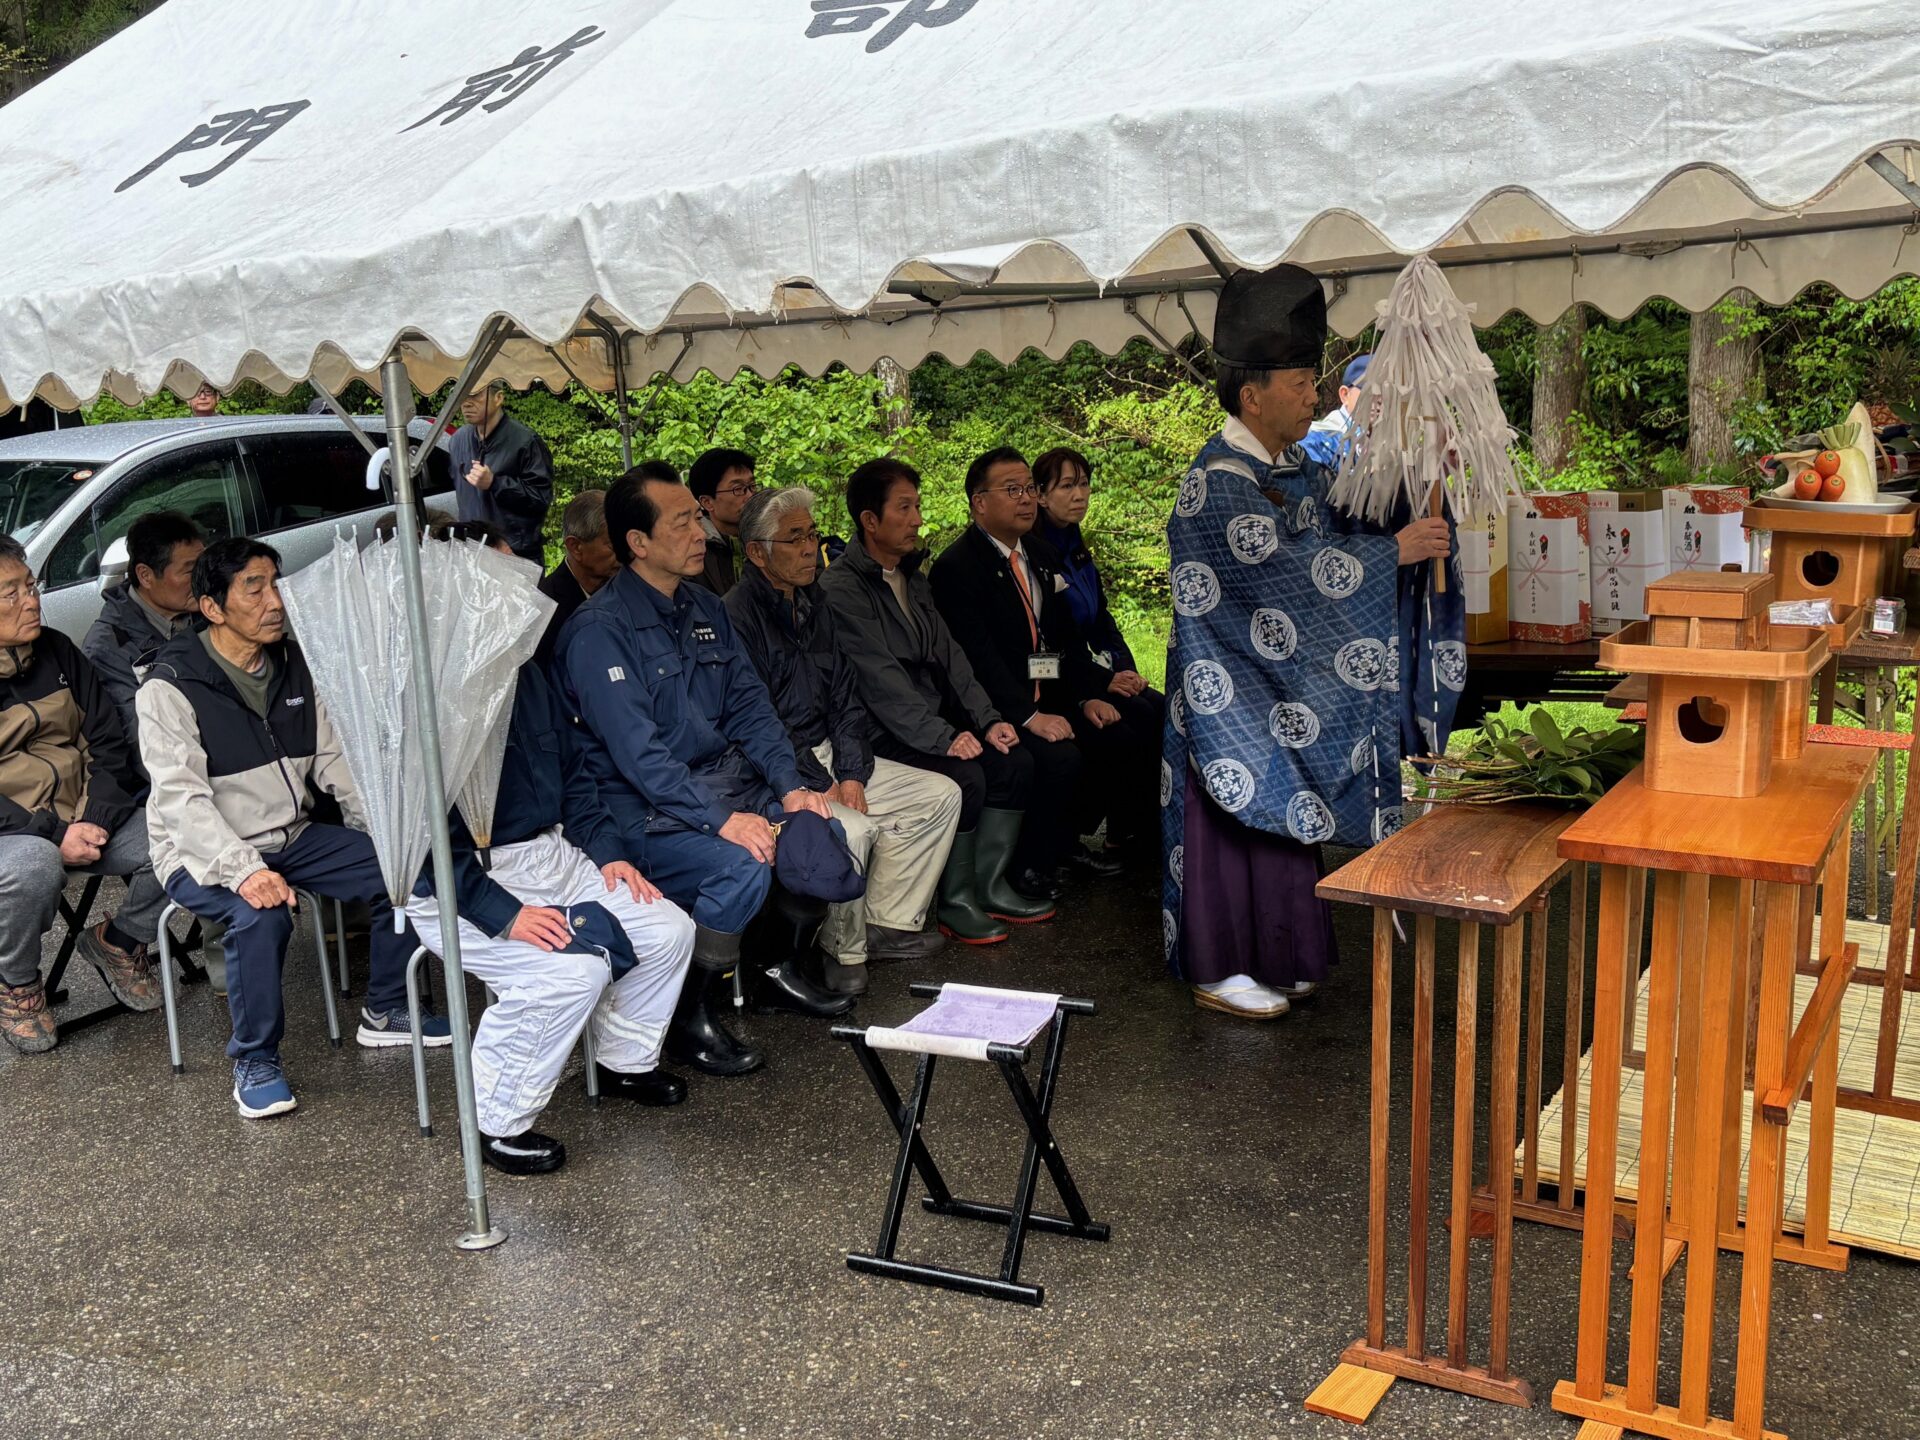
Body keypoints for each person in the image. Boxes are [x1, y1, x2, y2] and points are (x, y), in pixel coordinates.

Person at [1163, 267, 1456, 1020]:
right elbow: (1283, 572)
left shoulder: (1289, 465)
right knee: (1234, 819)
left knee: (1284, 813)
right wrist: (1395, 553)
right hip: (1228, 690)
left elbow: (1344, 525)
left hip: (1279, 686)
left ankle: (1281, 953)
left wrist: (1420, 482)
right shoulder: (1217, 482)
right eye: (1300, 383)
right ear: (1251, 394)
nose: (1316, 397)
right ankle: (1219, 962)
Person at [409, 528, 695, 1177]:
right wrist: (504, 915)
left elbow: (578, 781)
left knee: (666, 929)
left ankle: (621, 1061)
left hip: (551, 857)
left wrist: (608, 853)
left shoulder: (526, 673)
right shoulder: (425, 701)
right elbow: (419, 844)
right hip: (458, 884)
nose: (527, 592)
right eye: (504, 579)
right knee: (568, 973)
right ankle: (493, 1119)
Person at [552, 465, 854, 1080]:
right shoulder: (599, 632)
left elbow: (751, 708)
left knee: (819, 838)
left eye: (697, 516)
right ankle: (690, 1013)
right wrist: (723, 822)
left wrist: (791, 788)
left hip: (728, 784)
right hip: (642, 810)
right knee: (741, 867)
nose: (701, 532)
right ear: (638, 543)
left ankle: (775, 972)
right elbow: (640, 758)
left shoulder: (704, 608)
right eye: (683, 521)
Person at [138, 537, 450, 1118]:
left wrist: (387, 828)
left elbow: (337, 763)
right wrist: (244, 870)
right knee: (259, 914)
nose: (275, 600)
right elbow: (181, 801)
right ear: (212, 608)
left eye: (276, 583)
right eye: (254, 588)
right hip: (199, 851)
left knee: (406, 866)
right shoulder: (170, 685)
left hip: (292, 834)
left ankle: (385, 1010)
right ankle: (254, 1058)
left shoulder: (296, 663)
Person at [726, 487, 963, 994]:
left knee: (939, 795)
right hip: (776, 768)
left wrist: (852, 773)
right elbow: (754, 722)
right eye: (794, 539)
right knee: (850, 828)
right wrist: (818, 783)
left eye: (812, 534)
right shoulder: (736, 616)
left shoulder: (817, 603)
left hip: (831, 753)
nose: (811, 547)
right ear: (756, 552)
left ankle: (887, 924)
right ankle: (841, 950)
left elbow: (846, 700)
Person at [818, 458, 1047, 943]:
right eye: (905, 507)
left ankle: (987, 885)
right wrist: (944, 738)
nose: (918, 518)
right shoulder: (841, 589)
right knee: (966, 775)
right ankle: (954, 898)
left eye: (917, 506)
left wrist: (987, 720)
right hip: (880, 730)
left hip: (927, 718)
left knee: (1013, 761)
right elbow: (881, 682)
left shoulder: (911, 576)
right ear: (869, 520)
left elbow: (951, 655)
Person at [931, 447, 1154, 884]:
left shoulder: (1038, 553)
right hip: (988, 709)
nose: (1026, 499)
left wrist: (1084, 695)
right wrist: (1031, 716)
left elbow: (1052, 648)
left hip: (1040, 694)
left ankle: (1069, 844)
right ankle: (1027, 866)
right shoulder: (956, 568)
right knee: (1059, 758)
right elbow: (979, 661)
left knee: (1118, 733)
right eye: (1012, 490)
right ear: (979, 502)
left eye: (1029, 488)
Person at [0, 537, 165, 1053]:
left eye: (30, 586)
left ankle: (119, 941)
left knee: (179, 829)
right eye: (10, 593)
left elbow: (108, 740)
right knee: (32, 866)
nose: (31, 601)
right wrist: (54, 834)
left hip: (86, 815)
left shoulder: (57, 649)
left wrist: (95, 815)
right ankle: (18, 983)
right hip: (17, 834)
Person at [1031, 447, 1167, 859]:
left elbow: (1101, 619)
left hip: (1089, 672)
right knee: (1125, 726)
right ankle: (1086, 835)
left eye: (1085, 483)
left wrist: (1126, 669)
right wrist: (1093, 688)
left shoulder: (1076, 546)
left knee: (1159, 710)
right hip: (1054, 685)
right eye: (1067, 485)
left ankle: (1133, 830)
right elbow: (1043, 651)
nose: (1080, 495)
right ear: (1040, 495)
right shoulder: (1036, 554)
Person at [83, 510, 207, 765]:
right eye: (189, 571)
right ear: (146, 575)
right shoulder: (108, 648)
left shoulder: (209, 610)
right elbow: (144, 743)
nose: (202, 580)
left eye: (203, 567)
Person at [447, 380, 555, 565]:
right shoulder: (458, 440)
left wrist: (495, 483)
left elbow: (540, 499)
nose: (466, 402)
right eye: (462, 395)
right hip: (473, 553)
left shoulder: (525, 441)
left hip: (515, 555)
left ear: (498, 398)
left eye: (475, 395)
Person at [534, 489, 619, 670]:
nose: (626, 553)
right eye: (613, 545)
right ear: (576, 547)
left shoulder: (629, 589)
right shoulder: (544, 610)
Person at [686, 448, 756, 595]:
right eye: (738, 489)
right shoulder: (692, 552)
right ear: (707, 502)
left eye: (752, 486)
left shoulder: (769, 540)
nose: (749, 496)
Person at [1299, 353, 1371, 469]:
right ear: (1345, 395)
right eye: (1370, 390)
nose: (1380, 398)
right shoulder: (1318, 440)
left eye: (1388, 392)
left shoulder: (1394, 439)